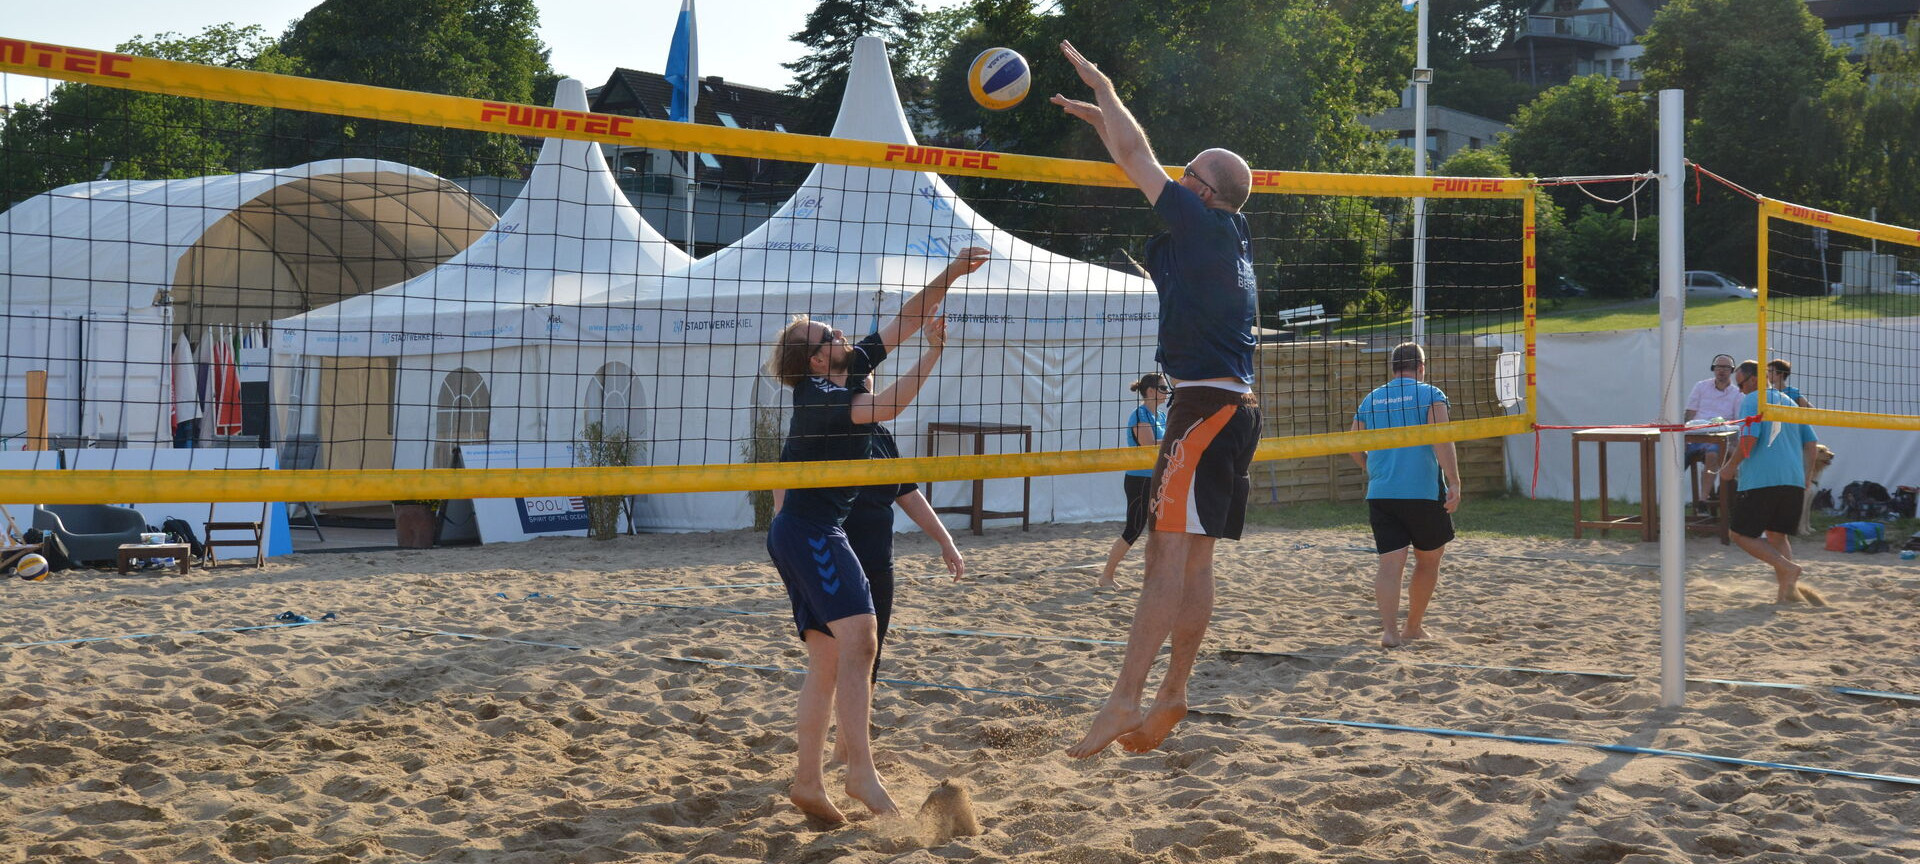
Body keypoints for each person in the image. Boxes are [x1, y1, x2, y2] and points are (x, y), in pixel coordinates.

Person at [1052, 41, 1262, 759]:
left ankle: (1124, 699)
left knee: (1167, 560)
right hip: (1234, 410)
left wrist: (1105, 83)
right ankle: (1172, 691)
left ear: (1203, 192)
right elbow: (1136, 159)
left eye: (1188, 173)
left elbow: (1140, 156)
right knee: (1190, 561)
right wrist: (1102, 120)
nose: (1177, 176)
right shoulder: (1230, 230)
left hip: (1202, 412)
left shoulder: (1202, 224)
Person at [764, 247, 989, 822]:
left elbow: (907, 318)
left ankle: (810, 782)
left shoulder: (850, 367)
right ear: (816, 361)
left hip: (809, 528)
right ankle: (859, 771)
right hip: (809, 530)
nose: (841, 334)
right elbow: (891, 405)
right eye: (828, 335)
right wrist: (935, 355)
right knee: (862, 637)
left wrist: (951, 274)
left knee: (832, 658)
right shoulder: (820, 398)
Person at [1347, 343, 1461, 648]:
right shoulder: (1430, 394)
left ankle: (1389, 633)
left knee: (1390, 564)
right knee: (1429, 561)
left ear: (1393, 368)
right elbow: (1442, 440)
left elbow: (1352, 443)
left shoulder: (1372, 398)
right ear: (1421, 368)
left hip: (1382, 492)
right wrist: (1454, 481)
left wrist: (1372, 467)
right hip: (1422, 492)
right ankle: (1413, 627)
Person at [1715, 360, 1825, 606]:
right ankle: (1787, 594)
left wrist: (1729, 468)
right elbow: (1811, 445)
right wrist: (1806, 478)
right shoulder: (1789, 401)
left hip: (1763, 480)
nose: (1740, 390)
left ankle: (1786, 568)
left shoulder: (1753, 400)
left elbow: (1749, 441)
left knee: (1740, 534)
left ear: (1753, 380)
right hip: (1793, 480)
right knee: (1777, 536)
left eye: (1741, 384)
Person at [1097, 373, 1170, 589]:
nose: (1167, 392)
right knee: (1134, 528)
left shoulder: (1161, 416)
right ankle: (1106, 576)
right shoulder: (1139, 415)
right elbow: (1149, 445)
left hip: (1158, 479)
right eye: (1163, 389)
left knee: (1161, 530)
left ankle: (1157, 577)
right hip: (1139, 480)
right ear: (1150, 391)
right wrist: (1178, 437)